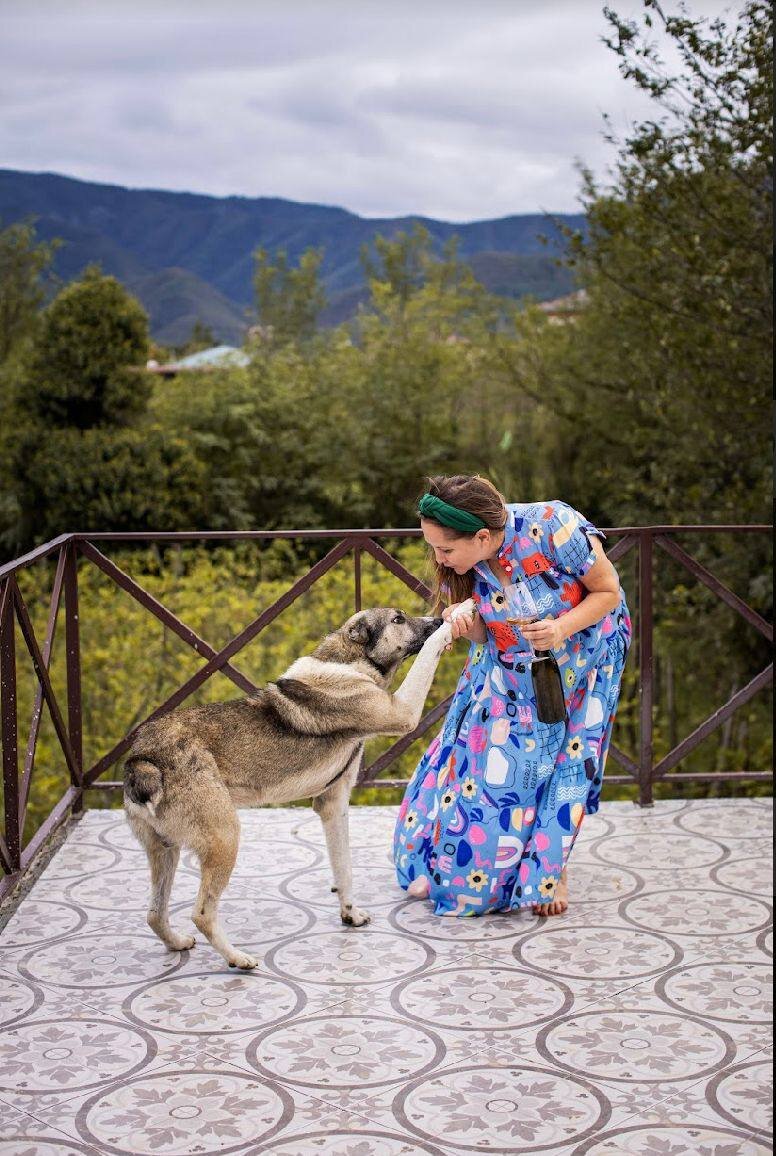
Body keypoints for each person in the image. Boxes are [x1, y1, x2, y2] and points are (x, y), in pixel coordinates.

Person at [393, 474, 631, 917]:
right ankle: (461, 855)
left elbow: (608, 590)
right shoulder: (459, 568)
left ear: (482, 536)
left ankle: (551, 869)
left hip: (586, 656)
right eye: (433, 548)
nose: (437, 559)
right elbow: (486, 635)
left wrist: (560, 628)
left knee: (561, 757)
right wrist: (466, 625)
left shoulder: (554, 526)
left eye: (444, 549)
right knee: (485, 753)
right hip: (510, 660)